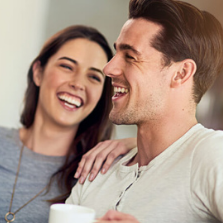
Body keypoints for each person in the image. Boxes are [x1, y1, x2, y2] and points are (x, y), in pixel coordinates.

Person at [0, 25, 136, 223]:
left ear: (100, 98)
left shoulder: (96, 170)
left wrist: (135, 143)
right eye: (67, 66)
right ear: (38, 73)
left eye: (94, 77)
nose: (78, 83)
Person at [66, 0, 223, 222]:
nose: (108, 68)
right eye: (116, 53)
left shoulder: (213, 154)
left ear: (180, 73)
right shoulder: (100, 170)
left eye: (130, 57)